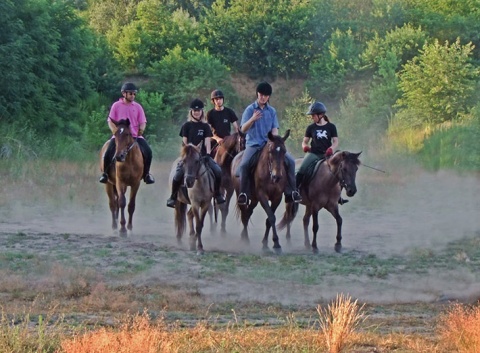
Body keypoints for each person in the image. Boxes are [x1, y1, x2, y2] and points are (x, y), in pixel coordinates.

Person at [236, 82, 302, 206]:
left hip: (269, 144)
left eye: (265, 96)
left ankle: (291, 191)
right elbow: (243, 129)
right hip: (254, 145)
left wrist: (275, 140)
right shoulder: (250, 109)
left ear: (268, 97)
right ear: (257, 94)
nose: (263, 97)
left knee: (291, 162)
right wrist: (253, 119)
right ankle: (243, 194)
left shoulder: (272, 111)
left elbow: (274, 129)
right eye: (261, 95)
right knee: (244, 164)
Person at [166, 98, 226, 208]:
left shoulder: (205, 126)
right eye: (194, 111)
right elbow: (184, 143)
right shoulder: (186, 126)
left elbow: (207, 141)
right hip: (188, 156)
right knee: (177, 174)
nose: (196, 112)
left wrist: (208, 154)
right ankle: (173, 197)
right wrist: (185, 155)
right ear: (191, 112)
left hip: (202, 156)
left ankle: (217, 194)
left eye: (198, 111)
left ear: (202, 112)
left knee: (217, 171)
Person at [99, 82, 155, 184]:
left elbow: (143, 121)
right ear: (124, 94)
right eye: (130, 94)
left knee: (148, 152)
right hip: (120, 136)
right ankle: (105, 174)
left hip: (134, 136)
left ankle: (146, 174)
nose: (133, 96)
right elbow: (110, 120)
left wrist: (141, 130)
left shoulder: (138, 107)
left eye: (134, 94)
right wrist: (115, 131)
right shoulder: (116, 106)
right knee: (108, 152)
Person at [296, 101, 347, 204]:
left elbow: (336, 141)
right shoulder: (311, 127)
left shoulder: (331, 127)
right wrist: (305, 146)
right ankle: (295, 191)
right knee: (302, 169)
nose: (312, 117)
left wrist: (331, 149)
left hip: (328, 155)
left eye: (313, 115)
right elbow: (304, 141)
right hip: (314, 154)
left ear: (321, 115)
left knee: (339, 171)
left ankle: (339, 196)